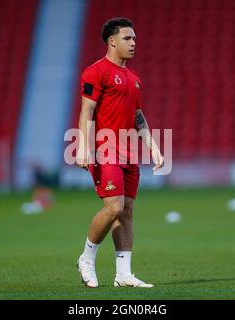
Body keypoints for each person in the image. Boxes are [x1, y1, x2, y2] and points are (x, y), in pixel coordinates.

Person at [75, 17, 164, 288]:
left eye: (135, 38)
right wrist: (82, 146)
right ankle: (86, 258)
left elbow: (138, 117)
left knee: (126, 212)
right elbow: (87, 110)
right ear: (112, 41)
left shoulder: (133, 79)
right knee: (113, 206)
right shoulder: (96, 71)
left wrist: (154, 148)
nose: (134, 43)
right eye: (128, 38)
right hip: (105, 150)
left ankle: (123, 274)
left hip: (129, 153)